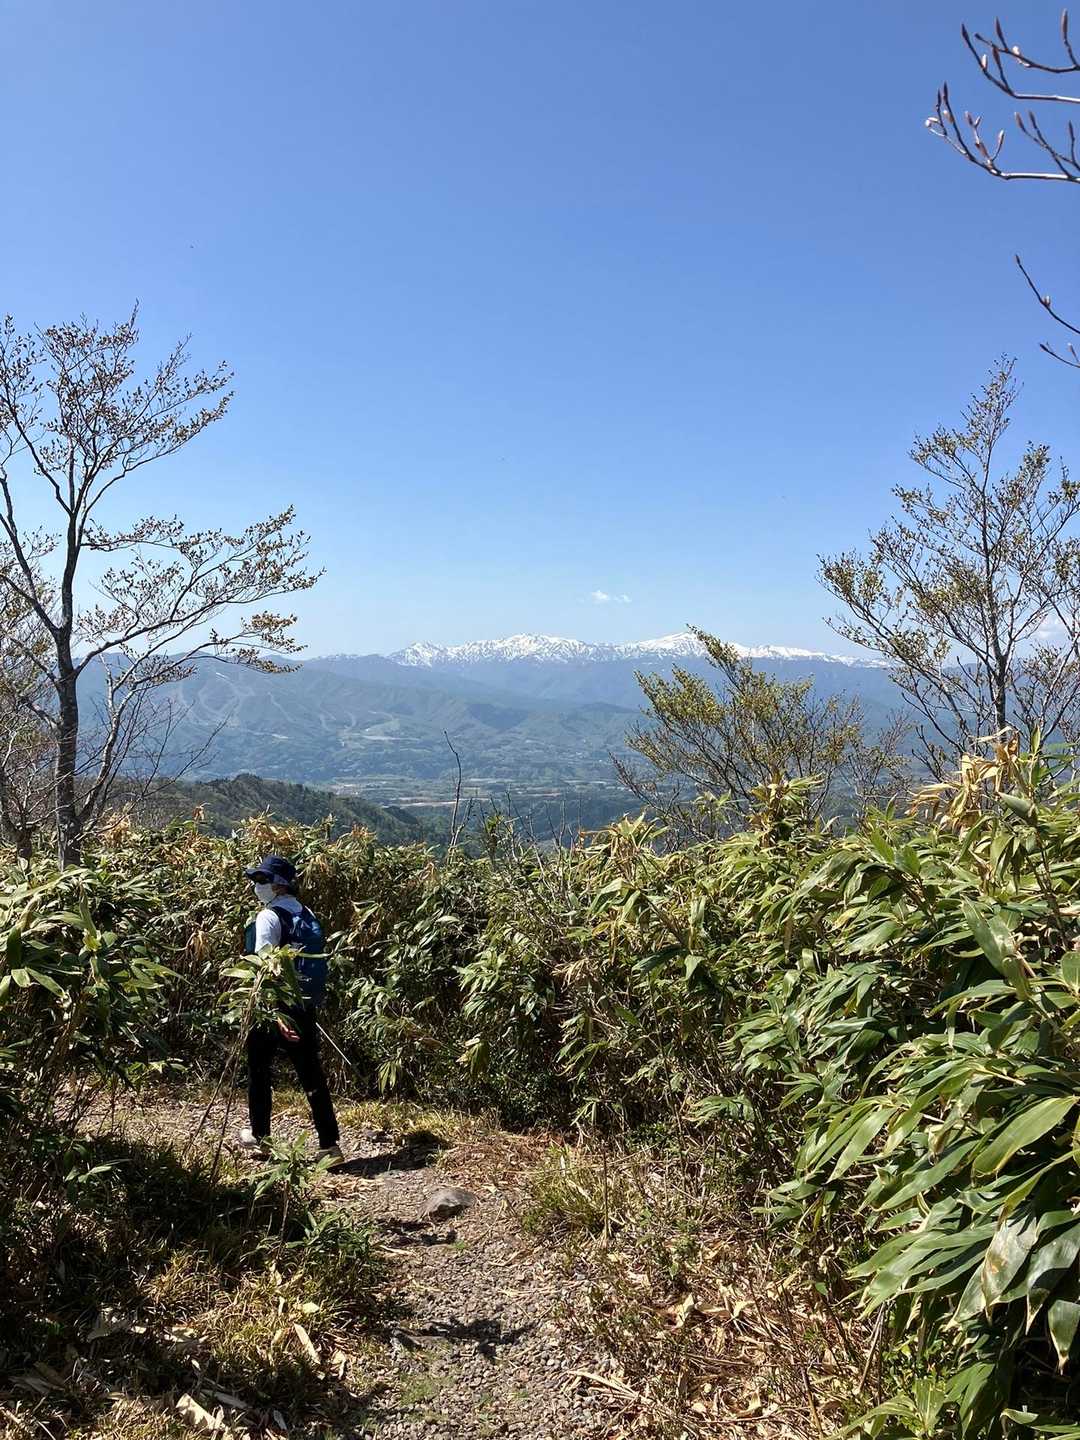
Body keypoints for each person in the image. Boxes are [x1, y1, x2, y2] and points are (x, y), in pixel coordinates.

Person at [236, 854, 342, 1162]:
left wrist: (272, 1013)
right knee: (311, 1073)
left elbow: (265, 966)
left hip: (274, 1007)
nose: (256, 886)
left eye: (262, 880)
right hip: (303, 1005)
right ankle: (330, 1145)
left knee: (259, 1070)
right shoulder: (306, 913)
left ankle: (261, 1138)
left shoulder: (268, 917)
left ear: (278, 884)